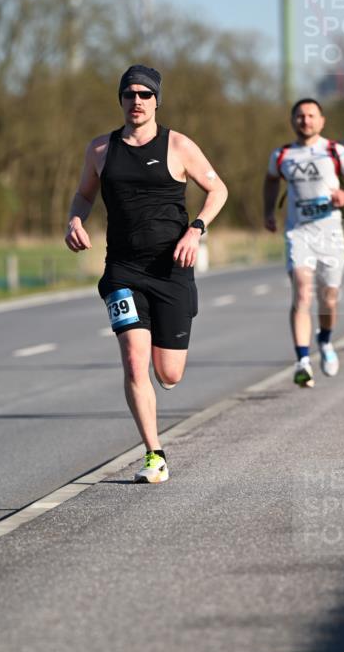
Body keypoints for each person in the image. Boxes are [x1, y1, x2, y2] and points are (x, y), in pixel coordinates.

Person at [64, 65, 228, 482]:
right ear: (120, 100)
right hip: (122, 270)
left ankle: (164, 349)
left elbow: (218, 190)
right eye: (129, 94)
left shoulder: (179, 145)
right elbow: (84, 195)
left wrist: (197, 229)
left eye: (144, 94)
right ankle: (154, 454)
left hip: (172, 270)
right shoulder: (101, 150)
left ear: (157, 100)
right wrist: (74, 220)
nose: (136, 101)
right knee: (135, 364)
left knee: (168, 375)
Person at [263, 98, 344, 387]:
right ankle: (302, 361)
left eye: (311, 116)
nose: (306, 121)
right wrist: (268, 212)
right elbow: (271, 180)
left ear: (321, 121)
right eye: (300, 116)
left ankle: (325, 341)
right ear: (293, 121)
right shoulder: (282, 155)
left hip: (331, 236)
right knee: (302, 293)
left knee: (329, 298)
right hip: (298, 234)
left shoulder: (335, 151)